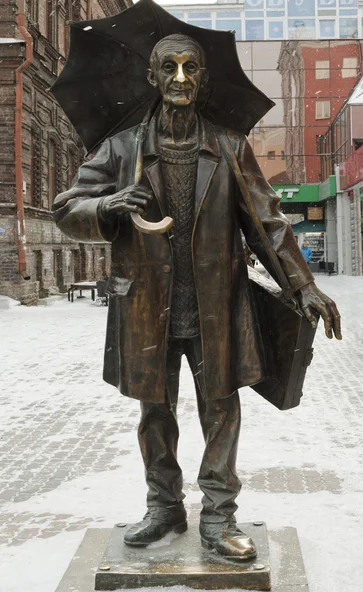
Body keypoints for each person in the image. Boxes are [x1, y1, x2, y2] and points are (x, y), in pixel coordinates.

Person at [52, 34, 341, 560]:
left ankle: (218, 515)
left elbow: (268, 225)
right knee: (154, 413)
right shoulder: (121, 150)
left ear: (202, 78)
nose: (181, 78)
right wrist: (113, 203)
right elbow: (66, 210)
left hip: (216, 307)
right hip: (146, 309)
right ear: (153, 77)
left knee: (221, 410)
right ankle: (163, 506)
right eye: (169, 68)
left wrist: (304, 284)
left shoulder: (229, 146)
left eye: (191, 68)